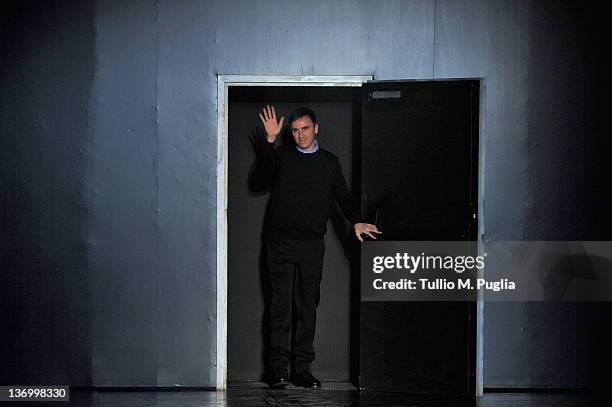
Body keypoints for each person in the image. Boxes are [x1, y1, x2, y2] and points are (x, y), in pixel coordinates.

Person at [255, 105, 381, 389]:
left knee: (307, 307)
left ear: (316, 128)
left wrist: (357, 221)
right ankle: (278, 371)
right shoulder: (283, 155)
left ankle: (302, 370)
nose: (300, 135)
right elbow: (261, 177)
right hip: (279, 243)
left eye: (305, 129)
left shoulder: (329, 162)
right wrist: (270, 141)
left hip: (311, 244)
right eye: (295, 130)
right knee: (280, 306)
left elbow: (343, 196)